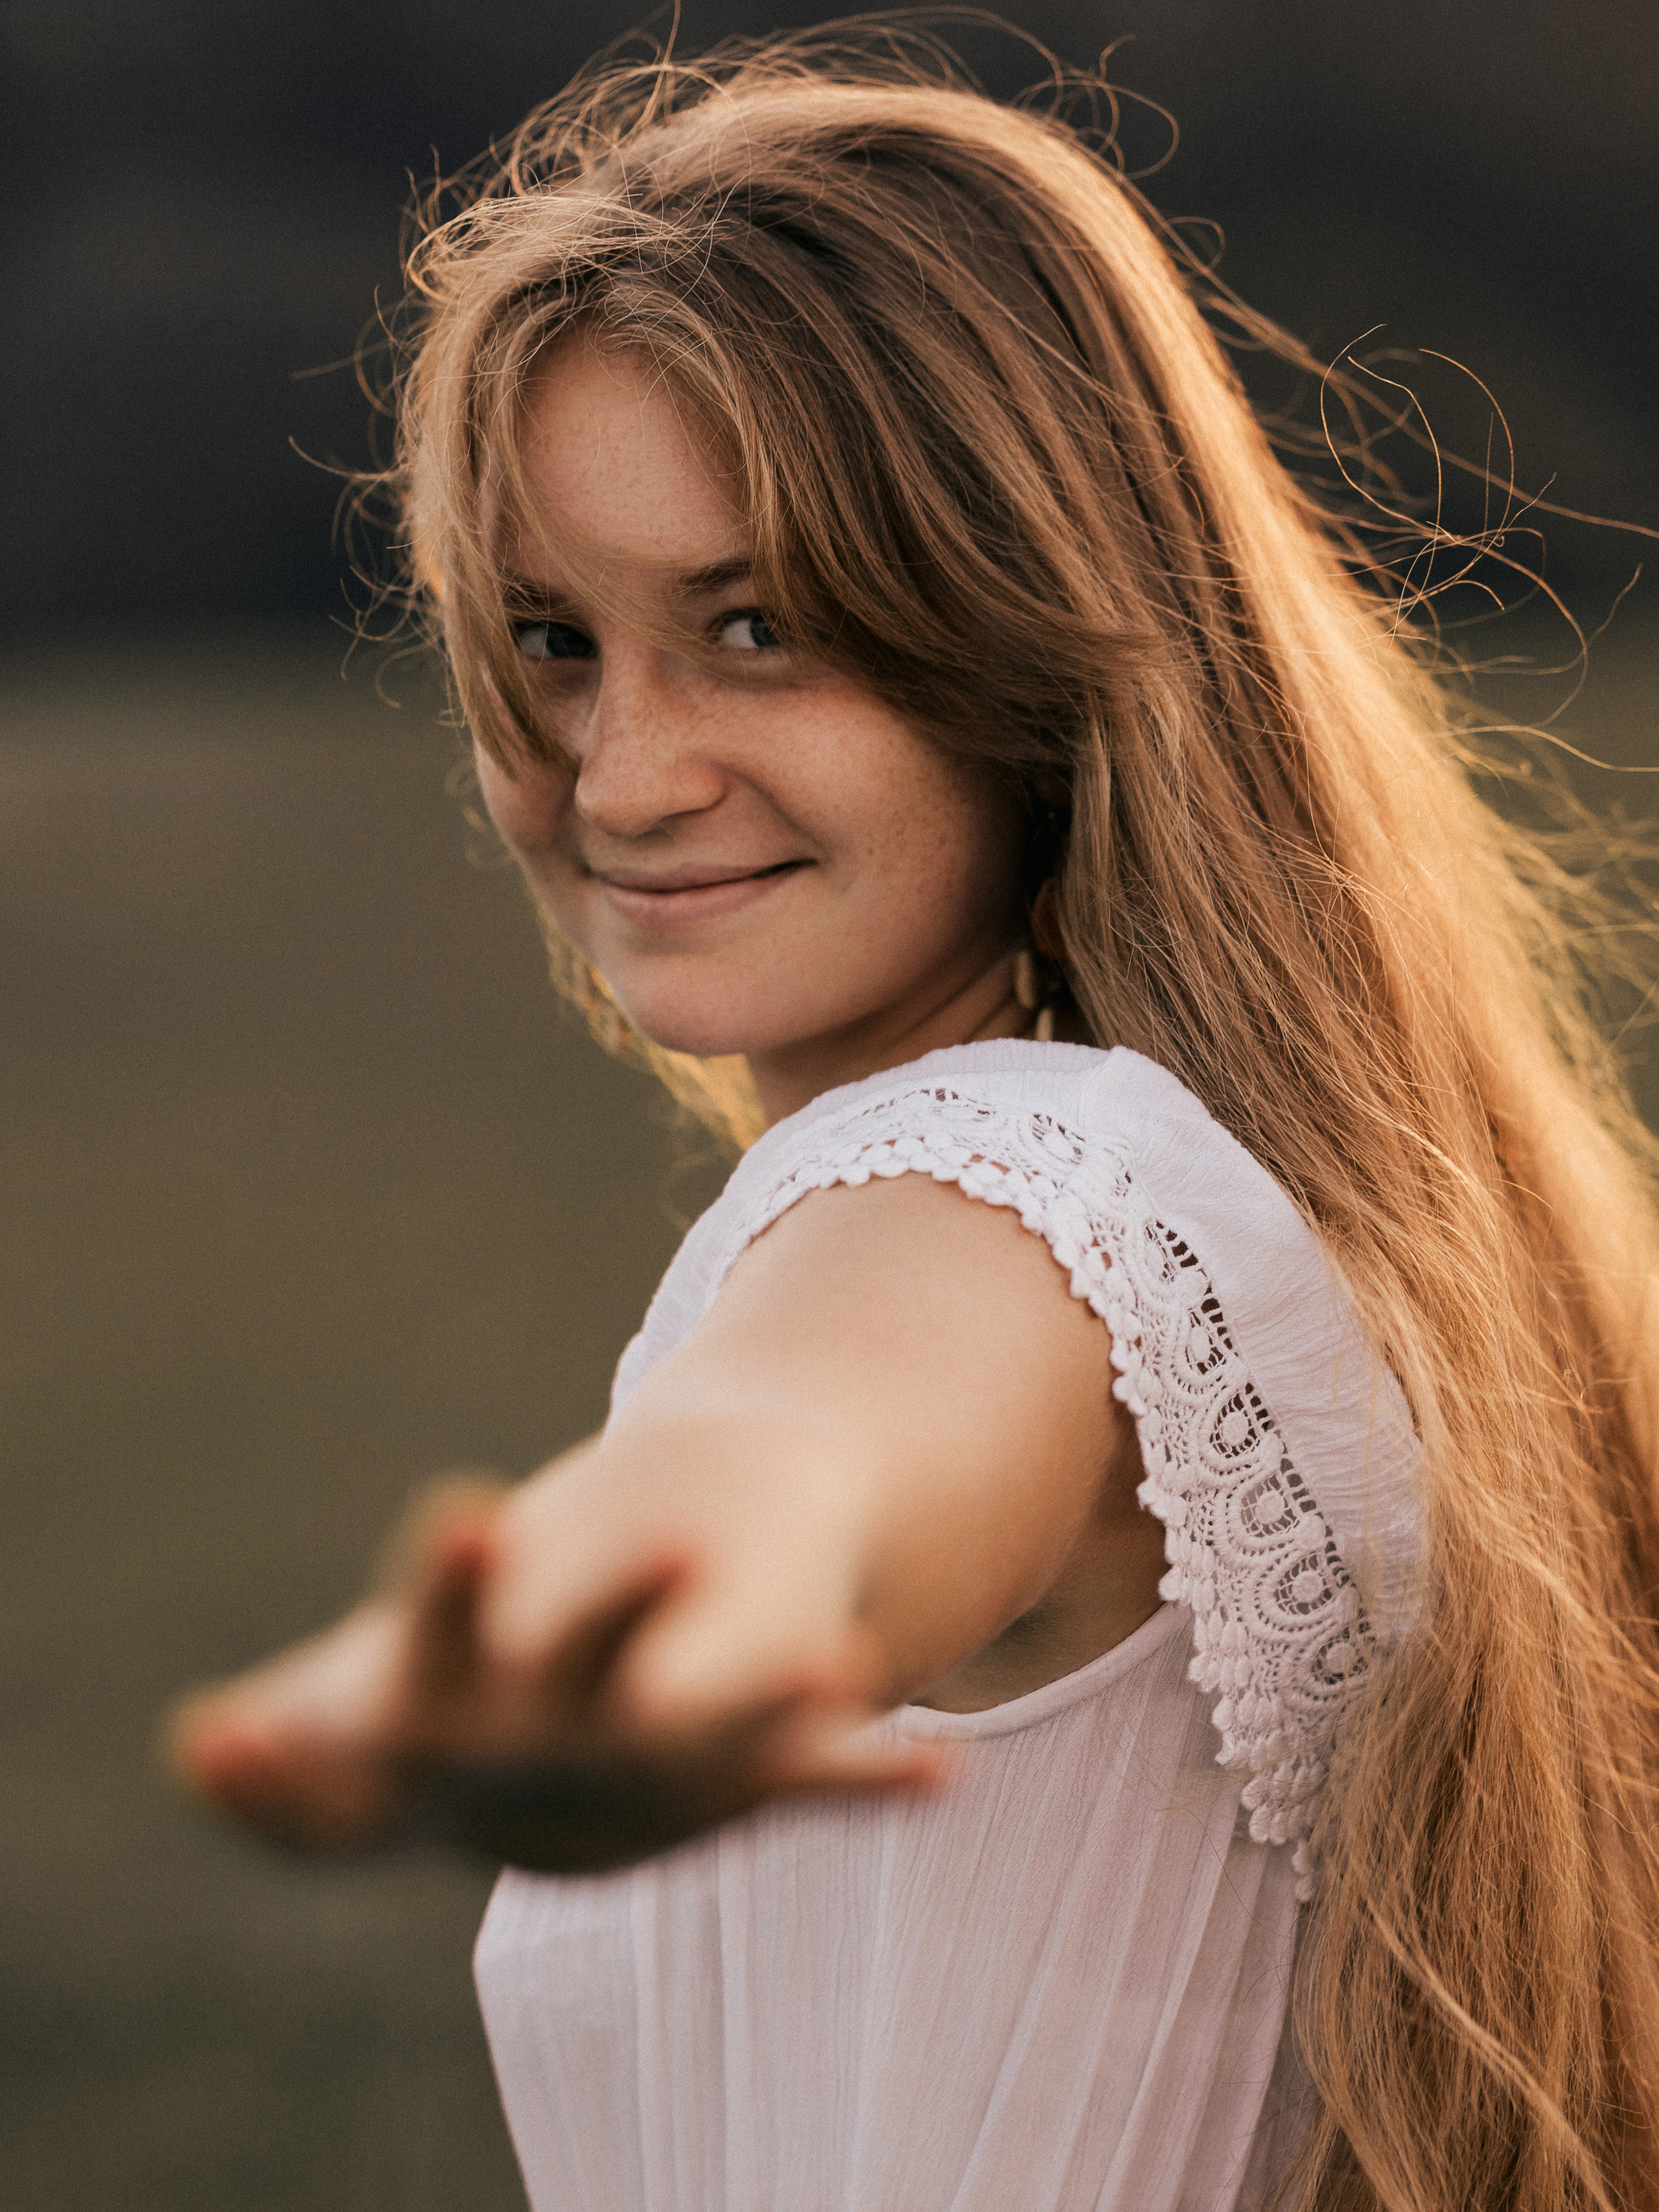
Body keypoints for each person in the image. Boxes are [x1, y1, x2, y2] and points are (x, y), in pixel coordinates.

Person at [168, 26, 1659, 2211]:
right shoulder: (1284, 1212)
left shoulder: (1006, 1190)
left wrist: (671, 1622)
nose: (622, 775)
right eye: (555, 640)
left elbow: (807, 1459)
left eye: (757, 628)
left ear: (1034, 650)